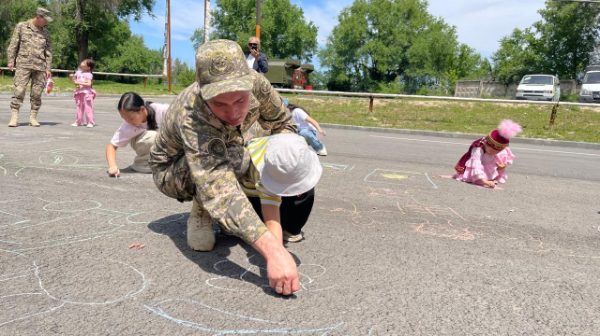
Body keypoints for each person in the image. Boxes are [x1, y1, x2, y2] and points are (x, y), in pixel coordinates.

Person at [149, 39, 299, 295]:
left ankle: (229, 204)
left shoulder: (258, 83)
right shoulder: (192, 111)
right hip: (173, 171)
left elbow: (284, 123)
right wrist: (273, 252)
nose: (233, 112)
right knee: (235, 157)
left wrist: (282, 162)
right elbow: (217, 184)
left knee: (250, 151)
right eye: (219, 104)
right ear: (203, 89)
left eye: (240, 100)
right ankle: (202, 210)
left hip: (227, 150)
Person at [240, 134, 322, 243]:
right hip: (252, 195)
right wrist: (277, 252)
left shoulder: (297, 144)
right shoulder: (259, 172)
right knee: (264, 231)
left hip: (272, 177)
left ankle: (292, 229)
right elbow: (272, 220)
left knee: (306, 188)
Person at [6, 8, 53, 127]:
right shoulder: (22, 26)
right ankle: (14, 117)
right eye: (45, 20)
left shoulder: (46, 33)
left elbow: (48, 52)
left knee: (37, 93)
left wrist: (48, 68)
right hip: (23, 64)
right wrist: (11, 60)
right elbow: (13, 44)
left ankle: (33, 117)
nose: (47, 22)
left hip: (40, 66)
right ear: (38, 16)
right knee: (19, 90)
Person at [106, 92, 169, 176]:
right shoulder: (128, 126)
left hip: (168, 146)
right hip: (144, 142)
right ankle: (143, 163)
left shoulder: (163, 111)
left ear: (142, 109)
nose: (129, 122)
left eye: (131, 118)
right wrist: (112, 166)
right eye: (125, 119)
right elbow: (111, 146)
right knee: (152, 137)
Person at [453, 119, 522, 188]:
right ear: (485, 142)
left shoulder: (499, 149)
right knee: (488, 157)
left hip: (487, 165)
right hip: (475, 169)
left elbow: (505, 157)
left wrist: (503, 166)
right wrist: (485, 181)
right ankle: (481, 178)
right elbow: (476, 166)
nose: (494, 152)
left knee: (494, 155)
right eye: (491, 150)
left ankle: (490, 176)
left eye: (497, 151)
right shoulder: (478, 149)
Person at [70, 59, 97, 128]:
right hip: (79, 92)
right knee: (79, 107)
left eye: (84, 63)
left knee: (88, 108)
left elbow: (89, 84)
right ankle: (79, 121)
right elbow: (74, 79)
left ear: (88, 67)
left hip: (87, 93)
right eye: (83, 61)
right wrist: (72, 78)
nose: (82, 62)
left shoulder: (89, 74)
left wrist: (79, 82)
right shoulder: (78, 72)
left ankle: (90, 122)